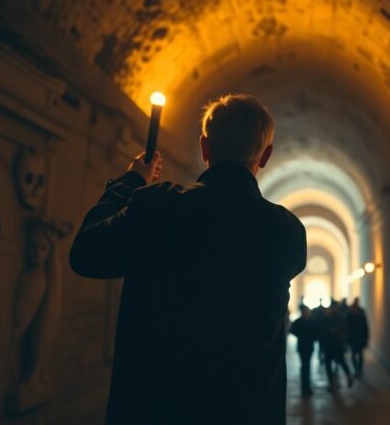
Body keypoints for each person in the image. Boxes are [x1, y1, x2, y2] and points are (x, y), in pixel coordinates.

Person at [69, 94, 307, 424]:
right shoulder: (286, 231)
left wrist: (131, 181)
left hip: (158, 410)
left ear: (205, 148)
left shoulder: (159, 207)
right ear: (265, 156)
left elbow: (86, 253)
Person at [323, 301, 353, 391]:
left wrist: (338, 334)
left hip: (336, 344)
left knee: (339, 362)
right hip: (331, 344)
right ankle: (333, 382)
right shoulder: (330, 317)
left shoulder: (339, 317)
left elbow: (345, 330)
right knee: (333, 364)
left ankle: (336, 381)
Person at [289, 305, 318, 397]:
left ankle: (307, 387)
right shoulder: (301, 321)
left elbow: (317, 332)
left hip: (308, 346)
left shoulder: (310, 321)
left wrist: (311, 337)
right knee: (305, 366)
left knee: (306, 366)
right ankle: (305, 388)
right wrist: (302, 336)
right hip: (303, 346)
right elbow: (292, 330)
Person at [347, 297, 370, 377]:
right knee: (355, 354)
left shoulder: (360, 311)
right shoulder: (351, 312)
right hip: (354, 337)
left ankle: (358, 370)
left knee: (359, 354)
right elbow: (348, 326)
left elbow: (365, 324)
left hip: (359, 337)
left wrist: (366, 336)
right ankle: (357, 369)